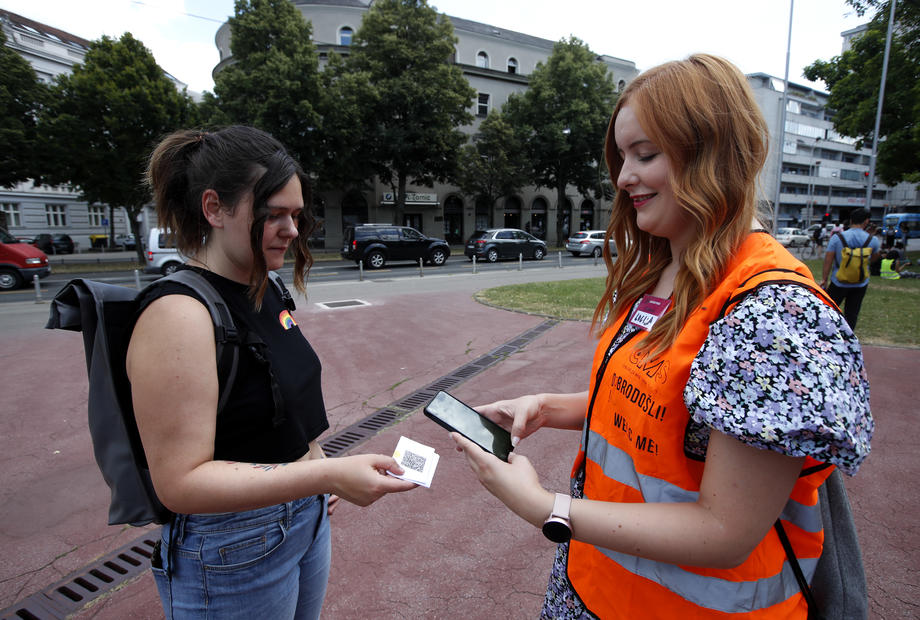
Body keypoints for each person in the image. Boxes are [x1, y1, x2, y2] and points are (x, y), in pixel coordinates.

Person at [451, 55, 873, 619]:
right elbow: (662, 408)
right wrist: (548, 407)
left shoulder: (774, 315)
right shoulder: (664, 269)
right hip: (593, 585)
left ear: (714, 152)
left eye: (645, 155)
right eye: (622, 156)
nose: (623, 179)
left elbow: (725, 530)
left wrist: (544, 507)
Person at [131, 126, 417, 619]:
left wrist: (315, 467)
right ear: (214, 208)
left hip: (303, 518)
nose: (291, 229)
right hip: (232, 548)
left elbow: (284, 406)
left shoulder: (268, 289)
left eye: (296, 215)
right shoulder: (180, 312)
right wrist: (323, 475)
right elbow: (179, 483)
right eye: (274, 215)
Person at [821, 207, 882, 329]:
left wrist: (824, 279)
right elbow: (875, 258)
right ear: (866, 221)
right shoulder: (872, 240)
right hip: (860, 283)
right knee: (852, 313)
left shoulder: (837, 238)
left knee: (830, 310)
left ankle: (827, 335)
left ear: (850, 220)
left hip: (838, 280)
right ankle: (849, 340)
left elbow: (828, 260)